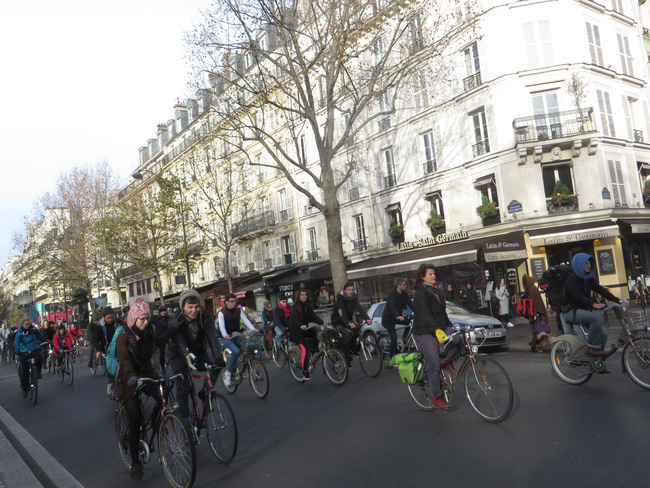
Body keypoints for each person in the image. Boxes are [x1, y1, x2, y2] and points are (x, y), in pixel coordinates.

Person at [115, 297, 161, 480]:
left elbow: (149, 359)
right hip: (128, 380)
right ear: (134, 318)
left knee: (163, 398)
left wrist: (157, 377)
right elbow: (124, 361)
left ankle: (156, 428)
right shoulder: (123, 336)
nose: (146, 322)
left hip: (144, 375)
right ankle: (135, 463)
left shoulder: (149, 333)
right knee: (134, 420)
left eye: (148, 318)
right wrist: (132, 377)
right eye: (142, 319)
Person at [161, 289, 221, 427]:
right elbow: (179, 340)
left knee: (216, 366)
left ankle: (205, 392)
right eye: (190, 307)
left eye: (197, 307)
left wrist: (217, 356)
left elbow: (212, 336)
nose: (194, 310)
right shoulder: (175, 319)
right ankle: (185, 424)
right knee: (182, 387)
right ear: (183, 307)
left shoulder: (205, 316)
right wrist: (187, 355)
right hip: (179, 352)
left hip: (198, 349)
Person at [412, 263, 457, 408]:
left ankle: (448, 362)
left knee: (458, 338)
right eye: (430, 274)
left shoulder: (436, 291)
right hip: (425, 332)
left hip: (440, 328)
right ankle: (437, 397)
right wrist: (436, 330)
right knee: (434, 364)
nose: (433, 276)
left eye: (434, 273)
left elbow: (442, 314)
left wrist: (449, 326)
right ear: (422, 276)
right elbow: (425, 316)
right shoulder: (420, 293)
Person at [562, 253, 624, 361]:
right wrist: (593, 304)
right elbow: (578, 295)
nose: (588, 265)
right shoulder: (570, 279)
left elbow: (599, 289)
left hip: (582, 310)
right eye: (585, 263)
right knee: (597, 319)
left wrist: (617, 300)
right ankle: (591, 348)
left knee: (603, 333)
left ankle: (596, 360)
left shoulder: (587, 278)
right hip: (570, 311)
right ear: (579, 264)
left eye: (590, 263)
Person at [217, 293, 257, 387]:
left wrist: (253, 329)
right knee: (236, 351)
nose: (234, 303)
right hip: (225, 338)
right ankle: (228, 372)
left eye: (235, 301)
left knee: (248, 347)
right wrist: (225, 335)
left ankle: (250, 368)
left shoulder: (239, 310)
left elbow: (246, 321)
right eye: (232, 301)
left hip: (236, 335)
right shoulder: (221, 312)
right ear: (226, 302)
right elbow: (221, 326)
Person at [331, 282, 371, 367]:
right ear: (345, 291)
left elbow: (359, 308)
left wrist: (367, 318)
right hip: (338, 320)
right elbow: (342, 311)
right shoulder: (340, 298)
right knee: (346, 335)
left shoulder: (354, 297)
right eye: (349, 290)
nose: (351, 291)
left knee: (357, 331)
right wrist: (348, 322)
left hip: (347, 320)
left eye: (352, 289)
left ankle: (353, 349)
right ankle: (347, 357)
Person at [289, 290, 323, 380]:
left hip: (306, 329)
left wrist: (323, 323)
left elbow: (313, 317)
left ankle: (311, 357)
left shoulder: (308, 306)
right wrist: (300, 325)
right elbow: (294, 319)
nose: (304, 296)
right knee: (305, 349)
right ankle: (305, 372)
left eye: (305, 295)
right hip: (297, 332)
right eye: (302, 295)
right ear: (298, 296)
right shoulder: (294, 307)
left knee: (318, 337)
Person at [91, 307, 123, 398]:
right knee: (111, 369)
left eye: (112, 317)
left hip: (119, 348)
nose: (110, 319)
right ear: (103, 317)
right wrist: (99, 350)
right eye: (108, 318)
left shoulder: (118, 323)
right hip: (108, 350)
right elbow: (95, 340)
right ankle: (109, 387)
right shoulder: (99, 326)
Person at [382, 277, 413, 358]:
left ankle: (404, 340)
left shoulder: (404, 294)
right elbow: (392, 306)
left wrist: (419, 312)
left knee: (409, 323)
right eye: (404, 285)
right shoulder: (391, 293)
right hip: (388, 319)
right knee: (394, 337)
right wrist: (397, 315)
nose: (405, 286)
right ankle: (393, 358)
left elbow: (411, 304)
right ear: (398, 286)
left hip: (398, 317)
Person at [15, 319, 44, 398]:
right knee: (25, 371)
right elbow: (17, 342)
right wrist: (17, 350)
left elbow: (41, 337)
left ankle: (38, 372)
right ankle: (24, 389)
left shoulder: (33, 330)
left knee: (40, 357)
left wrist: (37, 332)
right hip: (24, 351)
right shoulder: (20, 332)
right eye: (26, 324)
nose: (28, 325)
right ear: (22, 325)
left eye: (29, 324)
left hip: (34, 348)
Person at [522, 275, 551, 353]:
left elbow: (533, 304)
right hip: (536, 313)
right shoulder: (533, 288)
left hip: (535, 314)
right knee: (536, 330)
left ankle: (535, 345)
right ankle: (535, 344)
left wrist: (534, 314)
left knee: (535, 330)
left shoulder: (531, 289)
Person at [151, 306, 170, 374]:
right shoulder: (156, 319)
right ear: (160, 312)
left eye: (165, 311)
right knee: (161, 353)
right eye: (162, 311)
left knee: (170, 351)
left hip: (168, 337)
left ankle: (168, 362)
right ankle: (162, 367)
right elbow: (149, 324)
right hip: (160, 338)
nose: (164, 312)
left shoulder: (168, 318)